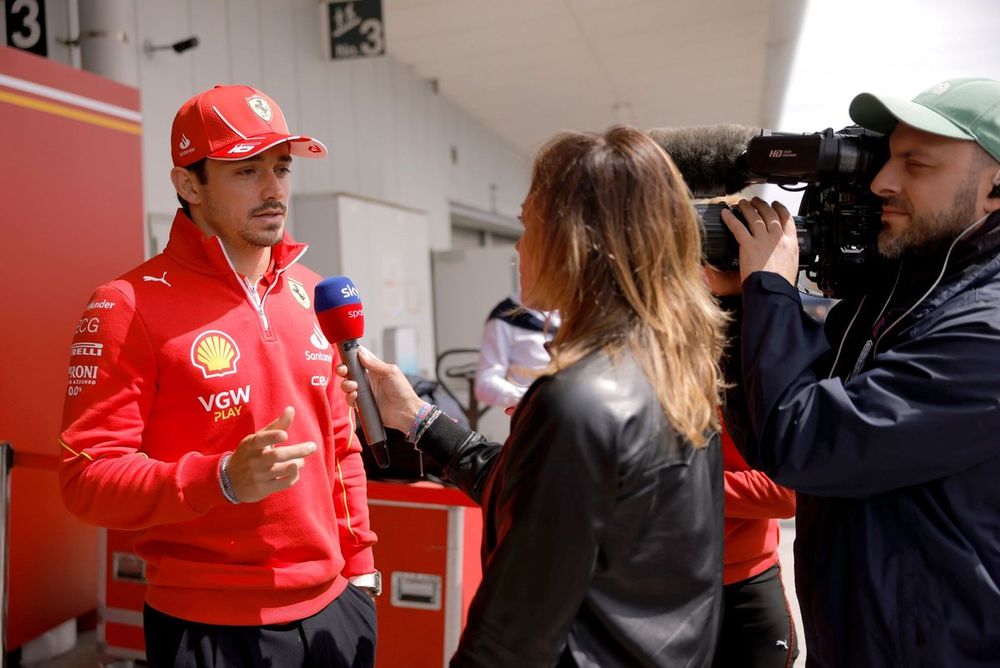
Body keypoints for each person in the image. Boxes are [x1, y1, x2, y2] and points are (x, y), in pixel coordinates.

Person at [342, 126, 728, 666]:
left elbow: (510, 640)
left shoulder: (576, 400)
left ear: (574, 239)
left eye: (527, 223)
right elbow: (528, 496)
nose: (519, 246)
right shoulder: (670, 365)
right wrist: (418, 418)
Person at [58, 85, 378, 667]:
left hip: (337, 611)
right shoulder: (126, 304)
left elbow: (339, 448)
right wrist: (222, 479)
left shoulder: (312, 292)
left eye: (280, 168)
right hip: (208, 627)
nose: (273, 189)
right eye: (246, 171)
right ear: (189, 185)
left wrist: (361, 573)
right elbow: (86, 480)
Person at [713, 77, 1000, 665]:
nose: (880, 183)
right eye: (886, 157)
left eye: (915, 164)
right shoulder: (899, 296)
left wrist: (769, 289)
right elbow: (772, 437)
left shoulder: (986, 331)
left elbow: (808, 446)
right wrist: (741, 310)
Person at [714, 423, 797, 668]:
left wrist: (688, 485)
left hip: (748, 585)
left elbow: (783, 494)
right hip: (667, 587)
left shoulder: (743, 391)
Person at [473, 292, 558, 410]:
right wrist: (530, 396)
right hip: (536, 415)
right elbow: (485, 383)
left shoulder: (578, 309)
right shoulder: (505, 315)